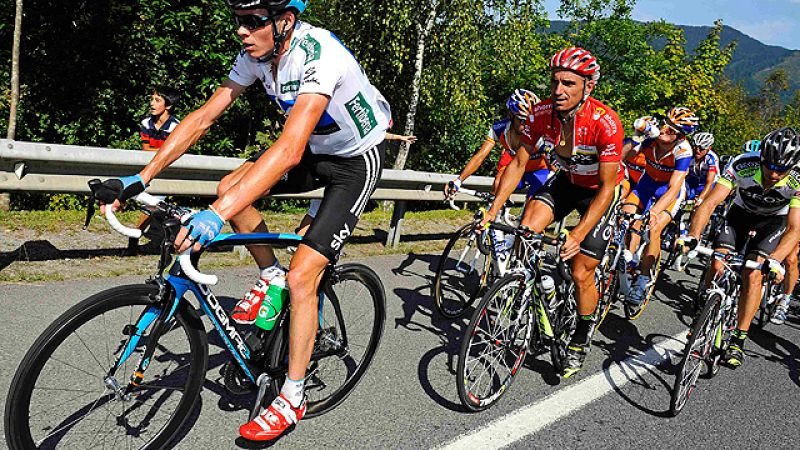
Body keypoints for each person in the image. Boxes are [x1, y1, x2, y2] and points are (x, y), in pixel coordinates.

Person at [93, 0, 391, 441]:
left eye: (253, 22)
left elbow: (289, 149)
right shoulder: (257, 57)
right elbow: (202, 119)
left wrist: (216, 217)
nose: (242, 31)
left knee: (304, 276)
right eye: (239, 22)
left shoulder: (318, 54)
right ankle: (269, 273)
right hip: (315, 152)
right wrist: (142, 176)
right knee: (228, 187)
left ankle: (291, 395)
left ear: (285, 21)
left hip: (353, 163)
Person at [481, 47, 624, 378]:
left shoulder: (606, 122)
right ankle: (534, 299)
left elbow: (606, 187)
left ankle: (581, 336)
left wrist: (576, 235)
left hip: (598, 195)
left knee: (580, 272)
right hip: (565, 184)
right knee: (527, 229)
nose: (559, 91)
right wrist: (494, 210)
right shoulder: (541, 113)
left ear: (588, 87)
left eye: (569, 84)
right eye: (555, 82)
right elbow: (518, 163)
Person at [680, 127, 800, 367]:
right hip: (739, 215)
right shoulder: (743, 163)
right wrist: (693, 235)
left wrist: (775, 260)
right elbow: (712, 201)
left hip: (772, 222)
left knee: (753, 275)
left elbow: (795, 228)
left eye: (781, 170)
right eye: (770, 167)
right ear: (762, 159)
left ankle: (738, 339)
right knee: (717, 262)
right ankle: (702, 310)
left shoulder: (798, 179)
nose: (775, 175)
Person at [621, 107, 698, 312]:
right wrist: (636, 137)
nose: (665, 130)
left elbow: (674, 188)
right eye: (665, 124)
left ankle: (643, 280)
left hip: (669, 192)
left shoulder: (683, 151)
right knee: (627, 218)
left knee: (653, 229)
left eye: (672, 130)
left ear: (680, 137)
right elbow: (622, 157)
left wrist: (655, 212)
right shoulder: (651, 139)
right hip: (647, 185)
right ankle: (628, 261)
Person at [444, 89, 547, 198]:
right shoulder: (499, 129)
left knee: (533, 203)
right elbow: (480, 156)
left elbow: (553, 162)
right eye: (522, 120)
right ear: (511, 115)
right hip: (518, 170)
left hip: (540, 172)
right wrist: (459, 181)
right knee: (497, 184)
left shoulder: (537, 134)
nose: (526, 126)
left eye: (530, 121)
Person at [125, 87, 181, 256]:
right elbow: (146, 149)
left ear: (168, 105)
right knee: (153, 206)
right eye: (152, 99)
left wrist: (159, 153)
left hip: (167, 171)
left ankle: (133, 239)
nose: (152, 103)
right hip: (151, 168)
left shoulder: (176, 127)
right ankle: (158, 239)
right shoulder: (145, 123)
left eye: (157, 100)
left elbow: (169, 153)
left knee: (151, 205)